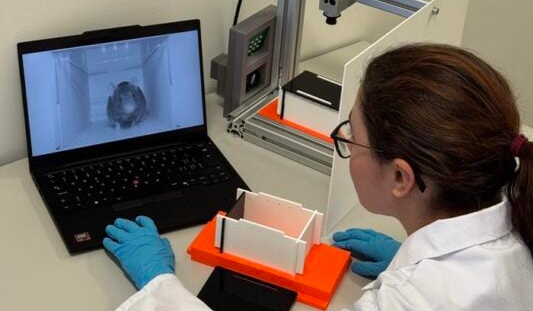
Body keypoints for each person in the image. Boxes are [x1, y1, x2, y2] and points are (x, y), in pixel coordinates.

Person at [103, 43, 533, 310]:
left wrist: (158, 286)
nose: (344, 142)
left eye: (352, 136)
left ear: (401, 178)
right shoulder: (519, 212)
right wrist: (408, 257)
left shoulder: (406, 301)